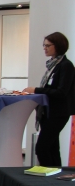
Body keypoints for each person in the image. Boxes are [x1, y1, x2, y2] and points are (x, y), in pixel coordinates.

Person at [22, 32, 74, 167]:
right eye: (44, 45)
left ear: (58, 45)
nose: (44, 48)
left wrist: (36, 90)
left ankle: (48, 174)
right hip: (47, 111)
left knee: (42, 148)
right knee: (52, 148)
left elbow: (61, 92)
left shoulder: (66, 65)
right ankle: (56, 175)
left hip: (58, 112)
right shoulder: (53, 65)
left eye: (48, 45)